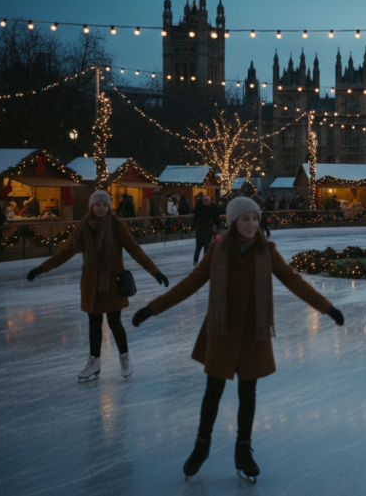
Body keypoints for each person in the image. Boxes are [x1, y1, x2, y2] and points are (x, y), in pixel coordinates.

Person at [130, 197, 345, 483]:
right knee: (213, 391)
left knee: (248, 393)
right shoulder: (218, 250)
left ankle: (243, 450)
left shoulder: (267, 251)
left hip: (253, 332)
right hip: (222, 329)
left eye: (256, 219)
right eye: (246, 219)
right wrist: (151, 309)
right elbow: (190, 284)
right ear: (233, 222)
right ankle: (201, 446)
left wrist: (327, 308)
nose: (252, 224)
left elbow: (294, 281)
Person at [26, 190, 168, 382]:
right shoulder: (83, 227)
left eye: (104, 205)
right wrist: (41, 269)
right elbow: (66, 252)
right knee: (94, 324)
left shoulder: (117, 226)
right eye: (97, 205)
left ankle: (124, 358)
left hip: (111, 281)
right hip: (90, 282)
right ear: (91, 207)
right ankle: (94, 363)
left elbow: (135, 249)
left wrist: (155, 271)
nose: (101, 208)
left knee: (114, 322)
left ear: (109, 207)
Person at [192, 196, 221, 266]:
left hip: (205, 229)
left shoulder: (200, 208)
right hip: (202, 229)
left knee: (206, 246)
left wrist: (217, 225)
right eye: (207, 201)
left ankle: (203, 261)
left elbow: (215, 217)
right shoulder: (208, 209)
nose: (209, 203)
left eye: (209, 201)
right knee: (200, 246)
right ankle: (196, 260)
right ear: (204, 202)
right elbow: (215, 217)